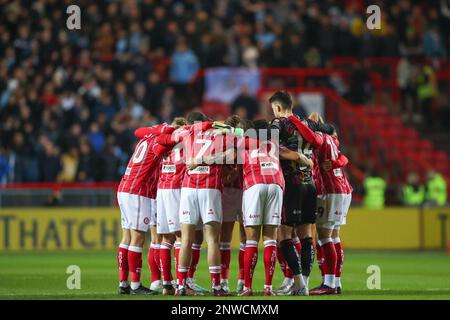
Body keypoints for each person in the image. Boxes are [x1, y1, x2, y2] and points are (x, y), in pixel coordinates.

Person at [268, 91, 333, 295]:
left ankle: (299, 282)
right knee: (306, 236)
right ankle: (303, 281)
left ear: (278, 108)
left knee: (283, 234)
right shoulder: (308, 124)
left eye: (273, 109)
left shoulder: (278, 124)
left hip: (292, 184)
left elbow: (270, 148)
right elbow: (330, 130)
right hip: (309, 184)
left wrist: (295, 156)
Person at [157, 111, 228, 296]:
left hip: (188, 189)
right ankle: (217, 287)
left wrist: (169, 128)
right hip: (210, 187)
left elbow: (163, 139)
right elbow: (233, 148)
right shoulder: (217, 132)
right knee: (212, 240)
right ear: (206, 121)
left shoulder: (186, 133)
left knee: (185, 239)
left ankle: (180, 286)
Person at [116, 123, 173, 295]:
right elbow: (169, 142)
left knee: (126, 238)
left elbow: (138, 130)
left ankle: (123, 284)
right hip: (138, 191)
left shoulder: (146, 138)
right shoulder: (157, 142)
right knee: (138, 239)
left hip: (124, 188)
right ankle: (135, 286)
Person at [310, 121, 353, 295]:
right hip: (344, 190)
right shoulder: (333, 141)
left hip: (330, 191)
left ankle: (328, 284)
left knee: (324, 236)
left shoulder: (319, 140)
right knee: (333, 236)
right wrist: (336, 162)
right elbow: (344, 158)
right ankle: (335, 281)